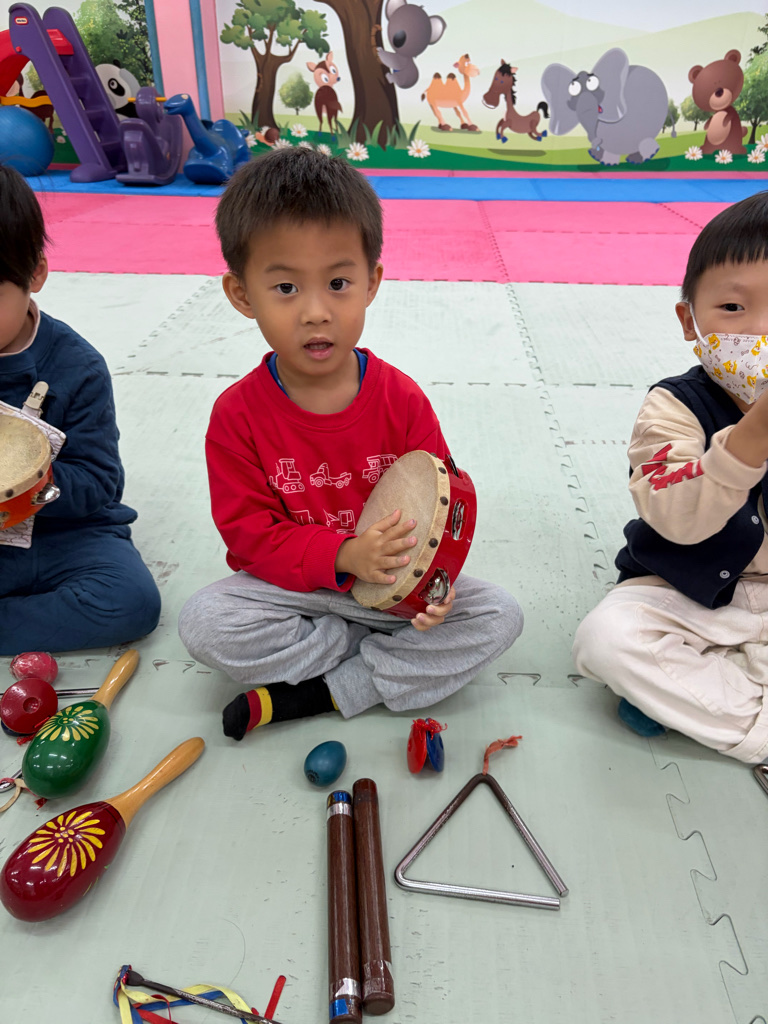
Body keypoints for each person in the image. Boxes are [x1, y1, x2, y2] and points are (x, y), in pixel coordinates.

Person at [178, 147, 522, 740]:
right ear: (242, 294)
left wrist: (434, 589)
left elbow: (441, 502)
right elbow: (249, 536)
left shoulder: (401, 398)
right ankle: (374, 665)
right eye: (286, 287)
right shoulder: (236, 415)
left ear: (372, 283)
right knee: (205, 623)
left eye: (338, 283)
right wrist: (343, 555)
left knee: (498, 615)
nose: (316, 312)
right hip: (299, 594)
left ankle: (322, 691)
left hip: (393, 590)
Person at [573, 192, 768, 764]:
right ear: (690, 321)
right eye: (733, 308)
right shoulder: (672, 407)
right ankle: (744, 712)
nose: (760, 330)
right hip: (683, 591)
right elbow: (678, 520)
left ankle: (701, 696)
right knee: (607, 642)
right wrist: (748, 441)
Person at [0, 164, 160, 653]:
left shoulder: (78, 366)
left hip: (68, 535)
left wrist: (27, 482)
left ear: (34, 274)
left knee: (131, 602)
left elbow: (99, 481)